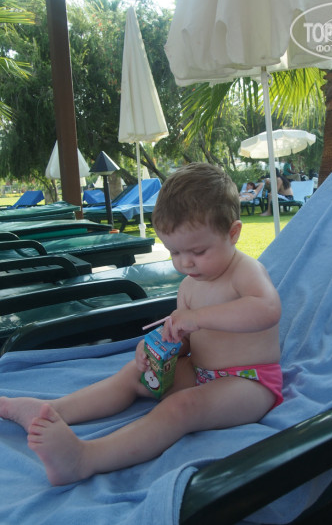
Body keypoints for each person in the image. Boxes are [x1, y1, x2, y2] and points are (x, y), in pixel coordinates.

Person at [0, 163, 283, 486]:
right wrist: (160, 348)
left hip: (249, 382)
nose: (185, 262)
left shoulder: (245, 271)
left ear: (233, 233)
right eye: (174, 251)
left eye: (198, 251)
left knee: (181, 407)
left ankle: (85, 459)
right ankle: (52, 410)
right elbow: (187, 340)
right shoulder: (189, 285)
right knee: (134, 374)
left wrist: (197, 317)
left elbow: (267, 309)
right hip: (198, 371)